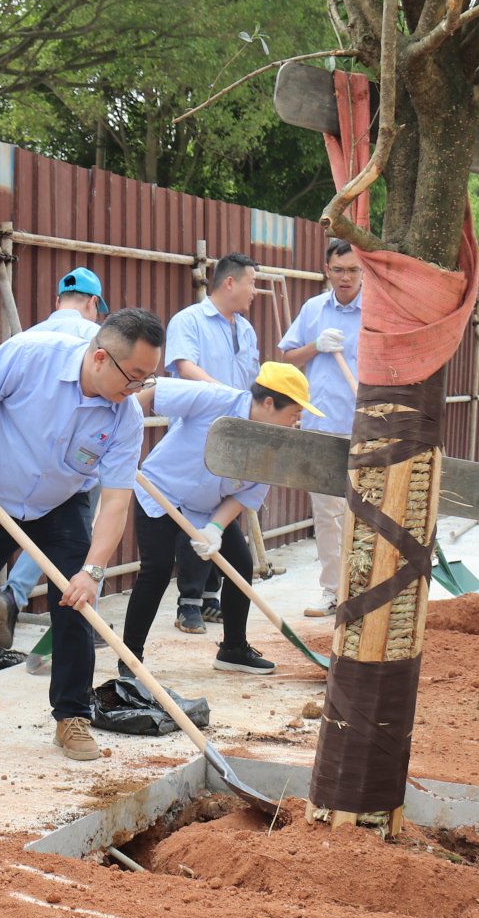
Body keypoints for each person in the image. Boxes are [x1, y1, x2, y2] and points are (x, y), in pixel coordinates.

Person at [0, 310, 165, 761]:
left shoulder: (125, 417)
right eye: (134, 378)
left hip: (61, 504)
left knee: (76, 600)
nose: (136, 390)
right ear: (101, 358)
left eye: (146, 380)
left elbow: (116, 502)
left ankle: (72, 716)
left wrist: (93, 571)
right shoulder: (31, 356)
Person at [121, 363, 323, 676]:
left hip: (207, 508)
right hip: (161, 492)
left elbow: (244, 496)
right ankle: (130, 661)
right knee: (157, 570)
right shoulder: (217, 399)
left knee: (240, 566)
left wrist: (215, 528)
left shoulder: (275, 445)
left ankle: (233, 649)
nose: (296, 422)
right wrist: (122, 427)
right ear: (269, 403)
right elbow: (155, 391)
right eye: (294, 413)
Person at [0, 268, 110, 648]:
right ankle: (79, 619)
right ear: (93, 304)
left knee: (43, 537)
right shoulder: (98, 341)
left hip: (16, 468)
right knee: (81, 544)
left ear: (58, 302)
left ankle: (14, 594)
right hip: (77, 466)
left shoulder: (26, 339)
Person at [162, 253, 262, 633]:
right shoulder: (189, 320)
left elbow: (251, 379)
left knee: (220, 515)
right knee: (195, 514)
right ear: (230, 283)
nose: (255, 291)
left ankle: (208, 598)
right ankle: (188, 601)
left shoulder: (246, 329)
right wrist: (227, 398)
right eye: (251, 282)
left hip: (237, 435)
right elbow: (185, 367)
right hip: (198, 434)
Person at [277, 240, 364, 616]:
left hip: (364, 426)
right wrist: (316, 345)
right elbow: (288, 356)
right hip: (320, 427)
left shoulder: (376, 312)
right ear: (327, 270)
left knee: (363, 512)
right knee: (327, 514)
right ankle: (333, 592)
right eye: (339, 269)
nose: (346, 277)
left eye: (353, 270)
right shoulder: (314, 309)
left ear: (364, 271)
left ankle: (363, 591)